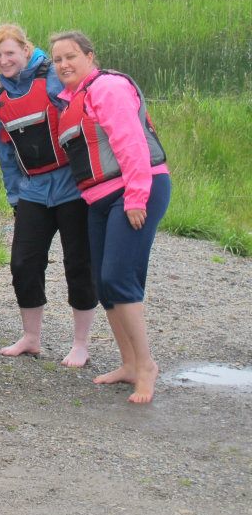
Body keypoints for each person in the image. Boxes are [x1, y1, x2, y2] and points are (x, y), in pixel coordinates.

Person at [51, 31, 171, 404]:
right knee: (104, 284)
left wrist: (137, 197)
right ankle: (129, 364)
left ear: (90, 56)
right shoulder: (70, 100)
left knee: (120, 277)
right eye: (57, 60)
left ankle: (147, 365)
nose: (64, 65)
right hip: (99, 198)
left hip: (134, 190)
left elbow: (131, 143)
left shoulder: (107, 88)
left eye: (71, 56)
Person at [0, 24, 97, 366]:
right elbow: (4, 151)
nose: (4, 60)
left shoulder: (51, 78)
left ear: (25, 50)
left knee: (78, 263)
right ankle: (31, 338)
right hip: (32, 189)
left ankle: (80, 343)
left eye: (10, 53)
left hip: (70, 187)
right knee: (23, 262)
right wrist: (13, 197)